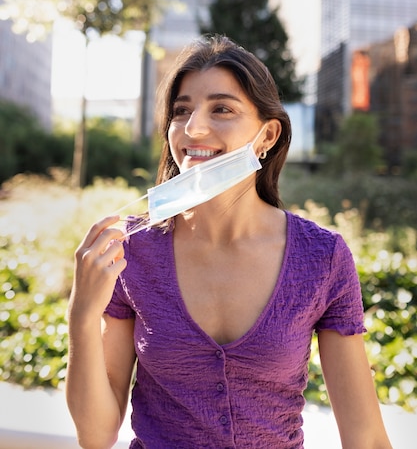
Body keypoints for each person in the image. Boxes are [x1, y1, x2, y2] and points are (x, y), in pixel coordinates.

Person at [66, 35, 393, 449]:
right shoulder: (134, 251)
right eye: (181, 110)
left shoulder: (322, 257)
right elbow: (96, 436)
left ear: (268, 135)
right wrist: (81, 313)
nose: (193, 128)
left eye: (221, 108)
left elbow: (364, 435)